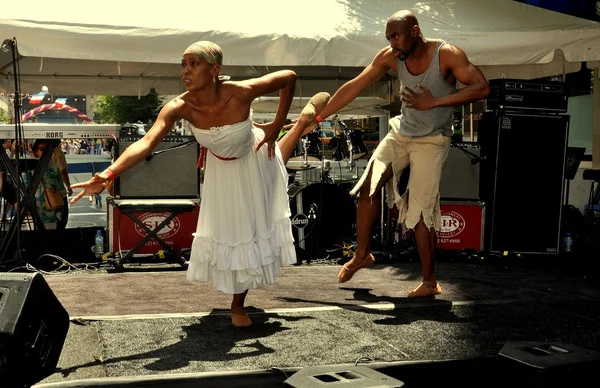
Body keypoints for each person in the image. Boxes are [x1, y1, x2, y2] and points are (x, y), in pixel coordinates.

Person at [69, 41, 329, 327]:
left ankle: (237, 304)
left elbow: (289, 76)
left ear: (215, 70)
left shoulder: (240, 92)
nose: (185, 71)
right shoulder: (178, 106)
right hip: (222, 169)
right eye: (183, 64)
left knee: (260, 200)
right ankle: (303, 121)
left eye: (194, 64)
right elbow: (146, 143)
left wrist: (277, 124)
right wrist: (108, 173)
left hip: (251, 157)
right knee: (233, 230)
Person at [290, 10, 490, 297]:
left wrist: (435, 102)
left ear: (415, 31)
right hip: (401, 132)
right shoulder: (390, 56)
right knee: (369, 185)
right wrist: (318, 119)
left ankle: (430, 281)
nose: (392, 43)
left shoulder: (447, 55)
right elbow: (354, 86)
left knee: (420, 212)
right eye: (389, 38)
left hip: (432, 141)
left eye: (396, 36)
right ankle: (362, 255)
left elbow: (482, 87)